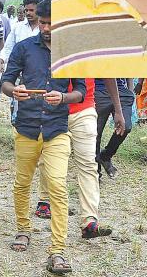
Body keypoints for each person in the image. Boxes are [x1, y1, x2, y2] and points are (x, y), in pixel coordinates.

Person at [1, 0, 84, 275]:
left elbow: (80, 92)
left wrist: (63, 97)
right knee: (22, 182)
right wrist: (15, 91)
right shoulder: (24, 48)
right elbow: (6, 82)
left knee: (58, 186)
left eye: (51, 23)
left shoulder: (72, 52)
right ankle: (23, 230)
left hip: (57, 129)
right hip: (26, 126)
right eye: (43, 22)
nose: (46, 28)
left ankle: (57, 250)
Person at [33, 78, 113, 240]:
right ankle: (44, 199)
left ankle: (90, 220)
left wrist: (118, 108)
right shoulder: (47, 51)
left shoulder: (91, 53)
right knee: (47, 158)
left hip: (84, 110)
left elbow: (108, 74)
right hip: (51, 110)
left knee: (89, 164)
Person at [0, 0, 42, 123]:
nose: (28, 13)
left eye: (32, 10)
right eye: (26, 10)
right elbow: (8, 47)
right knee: (17, 98)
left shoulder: (46, 29)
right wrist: (0, 61)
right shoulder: (18, 27)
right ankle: (16, 122)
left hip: (39, 73)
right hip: (19, 72)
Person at [94, 78, 131, 178]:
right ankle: (95, 171)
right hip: (98, 89)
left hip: (121, 90)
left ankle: (105, 156)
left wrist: (129, 91)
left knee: (126, 127)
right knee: (95, 133)